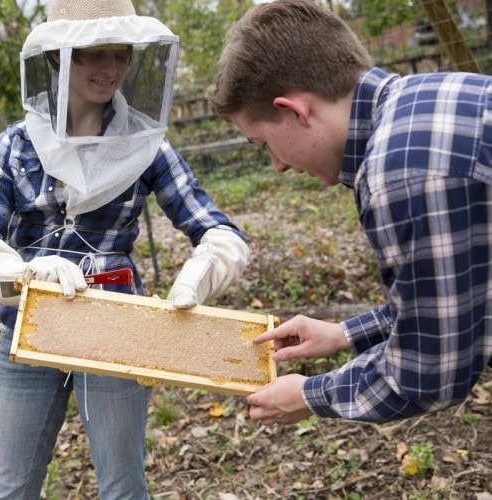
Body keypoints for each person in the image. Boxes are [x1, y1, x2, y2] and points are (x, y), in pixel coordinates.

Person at [0, 0, 251, 497]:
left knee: (123, 488)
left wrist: (204, 271)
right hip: (29, 332)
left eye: (120, 54)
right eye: (92, 55)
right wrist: (25, 274)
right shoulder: (15, 146)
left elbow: (216, 229)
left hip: (117, 332)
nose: (109, 69)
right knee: (10, 488)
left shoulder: (147, 145)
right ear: (56, 57)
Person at [206, 0, 492, 425]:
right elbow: (459, 299)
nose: (278, 165)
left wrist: (309, 394)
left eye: (264, 144)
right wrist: (343, 334)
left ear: (294, 110)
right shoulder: (424, 102)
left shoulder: (399, 173)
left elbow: (430, 374)